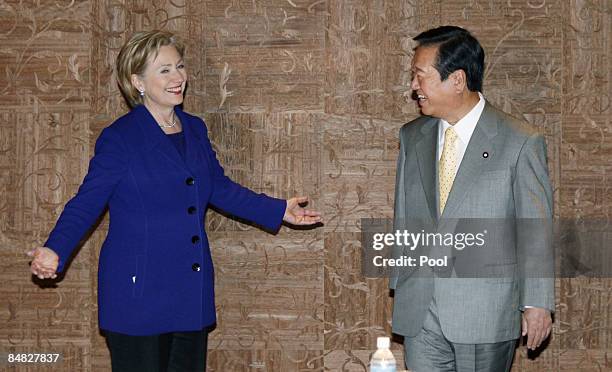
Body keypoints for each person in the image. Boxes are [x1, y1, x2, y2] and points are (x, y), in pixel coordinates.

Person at [27, 30, 322, 372]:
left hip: (188, 289)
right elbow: (87, 202)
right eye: (164, 69)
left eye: (179, 66)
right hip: (137, 294)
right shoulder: (120, 138)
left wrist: (277, 209)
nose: (178, 77)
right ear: (136, 81)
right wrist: (54, 248)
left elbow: (218, 188)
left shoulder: (194, 128)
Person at [390, 26, 554, 371]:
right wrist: (400, 283)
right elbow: (404, 217)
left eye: (420, 76)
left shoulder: (520, 140)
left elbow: (534, 230)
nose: (413, 87)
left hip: (485, 312)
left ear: (458, 79)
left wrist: (537, 302)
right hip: (420, 312)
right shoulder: (412, 136)